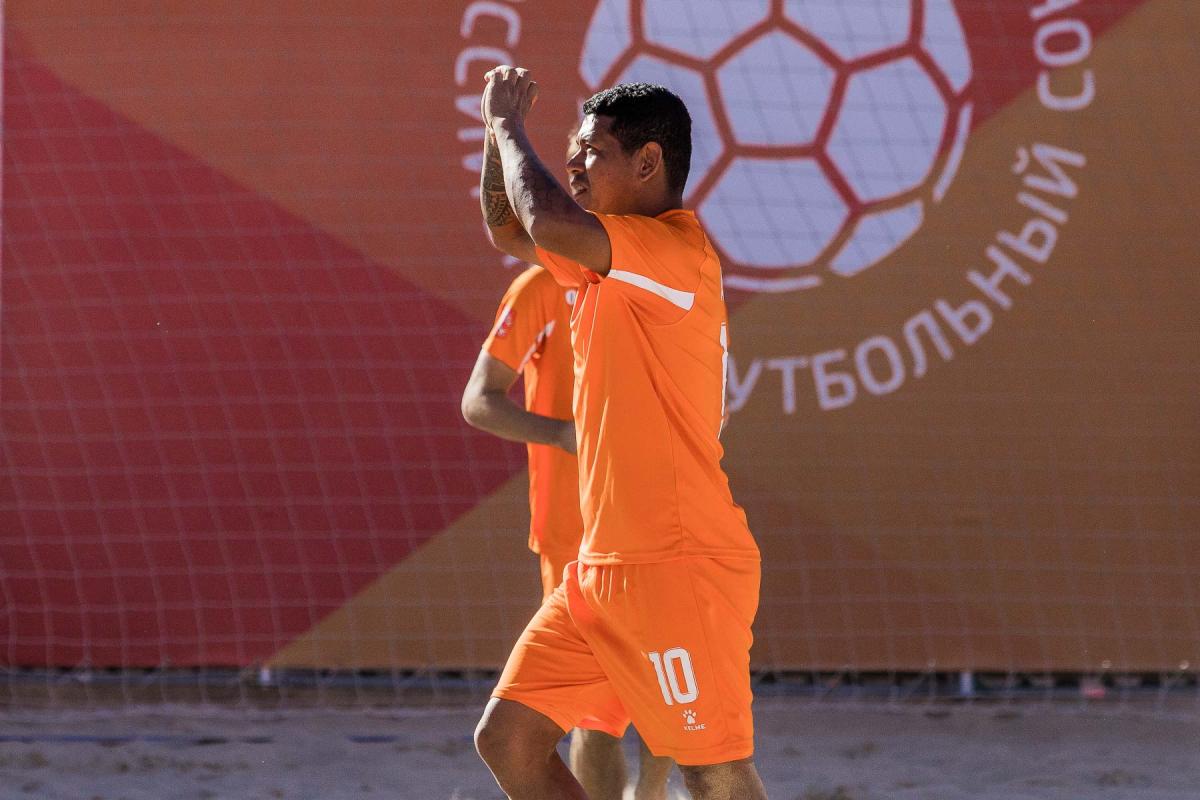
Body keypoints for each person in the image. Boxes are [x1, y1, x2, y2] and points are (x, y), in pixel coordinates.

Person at [472, 66, 767, 800]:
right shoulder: (597, 268)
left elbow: (542, 221)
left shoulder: (673, 252)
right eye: (573, 150)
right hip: (599, 568)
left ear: (648, 162)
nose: (574, 163)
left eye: (592, 151)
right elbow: (510, 226)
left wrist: (509, 124)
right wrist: (492, 135)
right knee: (508, 740)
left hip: (677, 565)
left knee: (712, 770)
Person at [462, 129, 674, 800]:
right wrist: (561, 433)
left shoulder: (658, 276)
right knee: (595, 718)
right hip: (572, 536)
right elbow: (479, 400)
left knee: (667, 696)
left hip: (655, 529)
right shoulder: (539, 286)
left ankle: (652, 791)